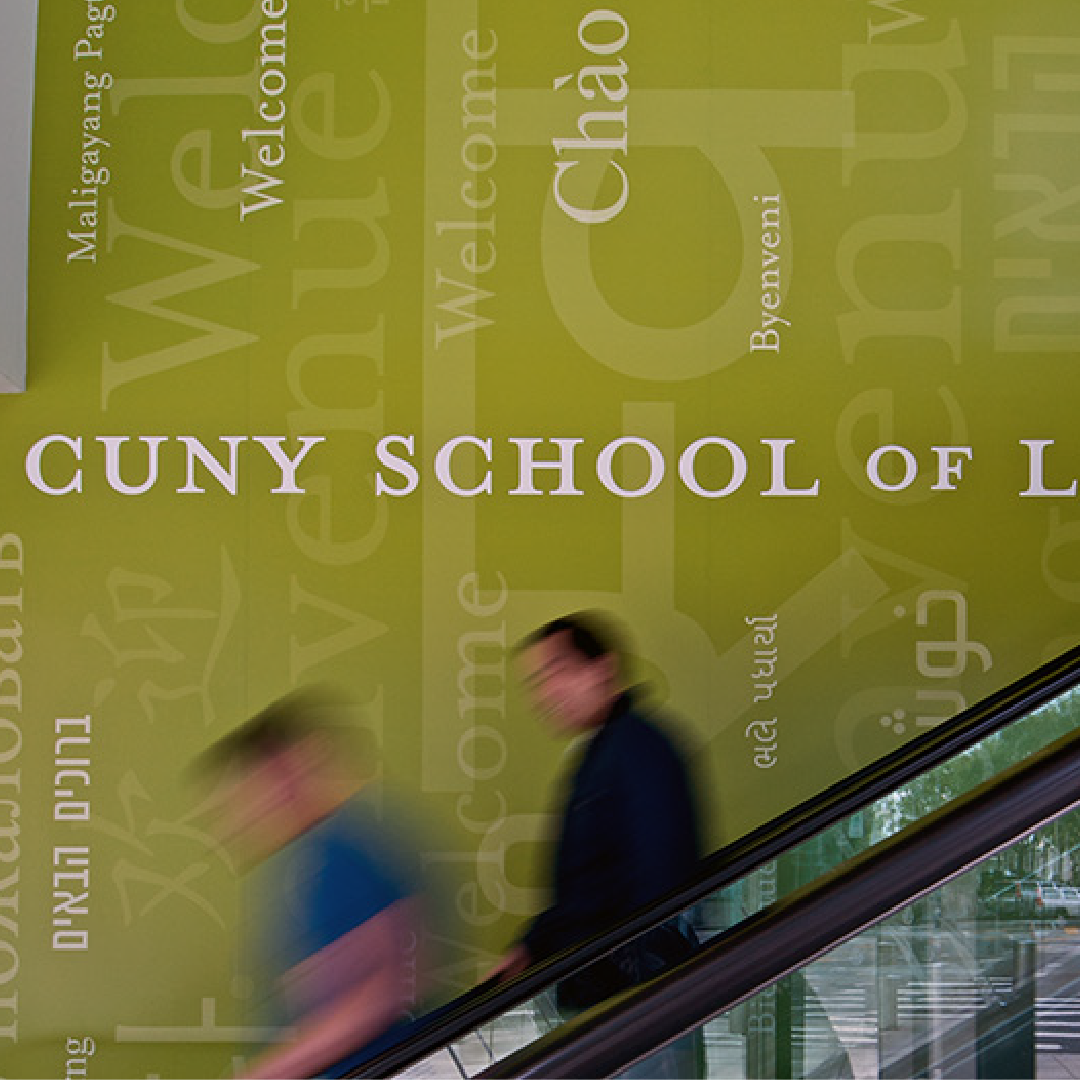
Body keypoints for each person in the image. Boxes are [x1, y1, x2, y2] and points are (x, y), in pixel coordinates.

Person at [491, 611, 704, 1062]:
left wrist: (628, 1011)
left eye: (558, 672)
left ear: (602, 667)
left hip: (638, 1014)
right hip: (617, 1007)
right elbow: (590, 886)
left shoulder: (638, 750)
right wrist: (531, 946)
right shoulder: (603, 752)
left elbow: (658, 890)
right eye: (537, 683)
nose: (546, 695)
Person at [200, 691, 426, 1080]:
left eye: (247, 788)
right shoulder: (315, 856)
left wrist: (269, 1072)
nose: (242, 811)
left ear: (283, 773)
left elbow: (386, 990)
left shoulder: (337, 852)